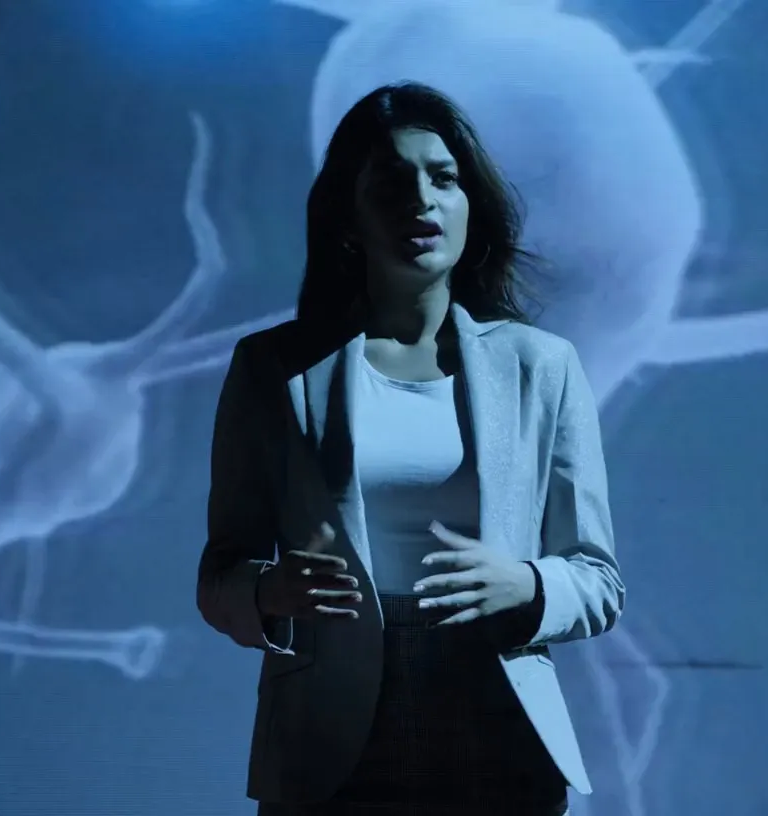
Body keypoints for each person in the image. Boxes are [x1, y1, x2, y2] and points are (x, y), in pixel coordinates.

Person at [196, 81, 625, 815]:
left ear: (469, 207)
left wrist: (528, 585)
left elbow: (599, 579)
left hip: (499, 722)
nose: (421, 199)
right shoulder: (274, 368)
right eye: (392, 183)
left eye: (443, 178)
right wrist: (269, 592)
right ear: (349, 216)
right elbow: (219, 576)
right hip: (327, 736)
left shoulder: (541, 365)